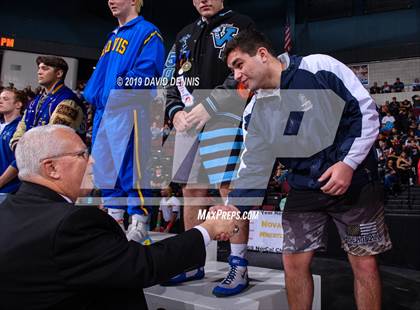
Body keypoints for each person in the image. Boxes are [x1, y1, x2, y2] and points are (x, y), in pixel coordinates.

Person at [223, 29, 392, 310]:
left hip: (355, 180)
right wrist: (234, 208)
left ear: (262, 55)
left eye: (239, 64)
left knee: (363, 261)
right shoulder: (253, 111)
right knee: (293, 261)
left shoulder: (319, 67)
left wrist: (347, 164)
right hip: (304, 186)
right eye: (232, 69)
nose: (237, 75)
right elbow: (253, 164)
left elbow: (365, 111)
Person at [0, 125, 238, 310]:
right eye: (82, 154)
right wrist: (208, 228)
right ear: (51, 167)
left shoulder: (8, 211)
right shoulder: (70, 225)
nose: (92, 161)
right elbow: (144, 265)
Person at [164, 0, 254, 296]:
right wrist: (174, 111)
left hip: (227, 117)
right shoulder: (184, 34)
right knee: (191, 190)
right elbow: (171, 78)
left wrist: (210, 106)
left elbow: (244, 73)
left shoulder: (241, 24)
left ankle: (238, 264)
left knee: (228, 188)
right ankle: (193, 261)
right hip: (189, 122)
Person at [84, 0, 165, 244]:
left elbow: (147, 72)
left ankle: (139, 222)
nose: (110, 1)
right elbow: (99, 76)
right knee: (105, 168)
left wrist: (114, 92)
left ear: (134, 1)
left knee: (133, 166)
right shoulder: (112, 36)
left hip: (128, 107)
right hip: (103, 111)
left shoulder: (148, 32)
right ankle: (114, 219)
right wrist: (95, 95)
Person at [10, 56, 86, 150]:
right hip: (32, 157)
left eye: (45, 69)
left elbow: (53, 137)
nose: (39, 72)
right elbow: (23, 124)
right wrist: (18, 145)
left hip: (58, 161)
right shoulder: (37, 99)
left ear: (59, 73)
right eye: (39, 68)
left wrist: (23, 152)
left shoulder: (68, 100)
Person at [0, 88, 27, 193]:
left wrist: (1, 181)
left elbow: (20, 159)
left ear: (18, 105)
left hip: (9, 190)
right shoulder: (5, 126)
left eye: (5, 99)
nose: (0, 101)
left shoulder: (21, 127)